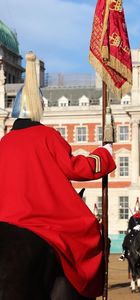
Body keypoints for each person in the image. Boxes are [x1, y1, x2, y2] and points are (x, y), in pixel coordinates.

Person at [0, 52, 116, 299]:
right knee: (89, 236)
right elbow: (76, 169)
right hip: (44, 221)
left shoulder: (4, 143)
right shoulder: (47, 136)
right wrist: (104, 155)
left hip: (6, 217)